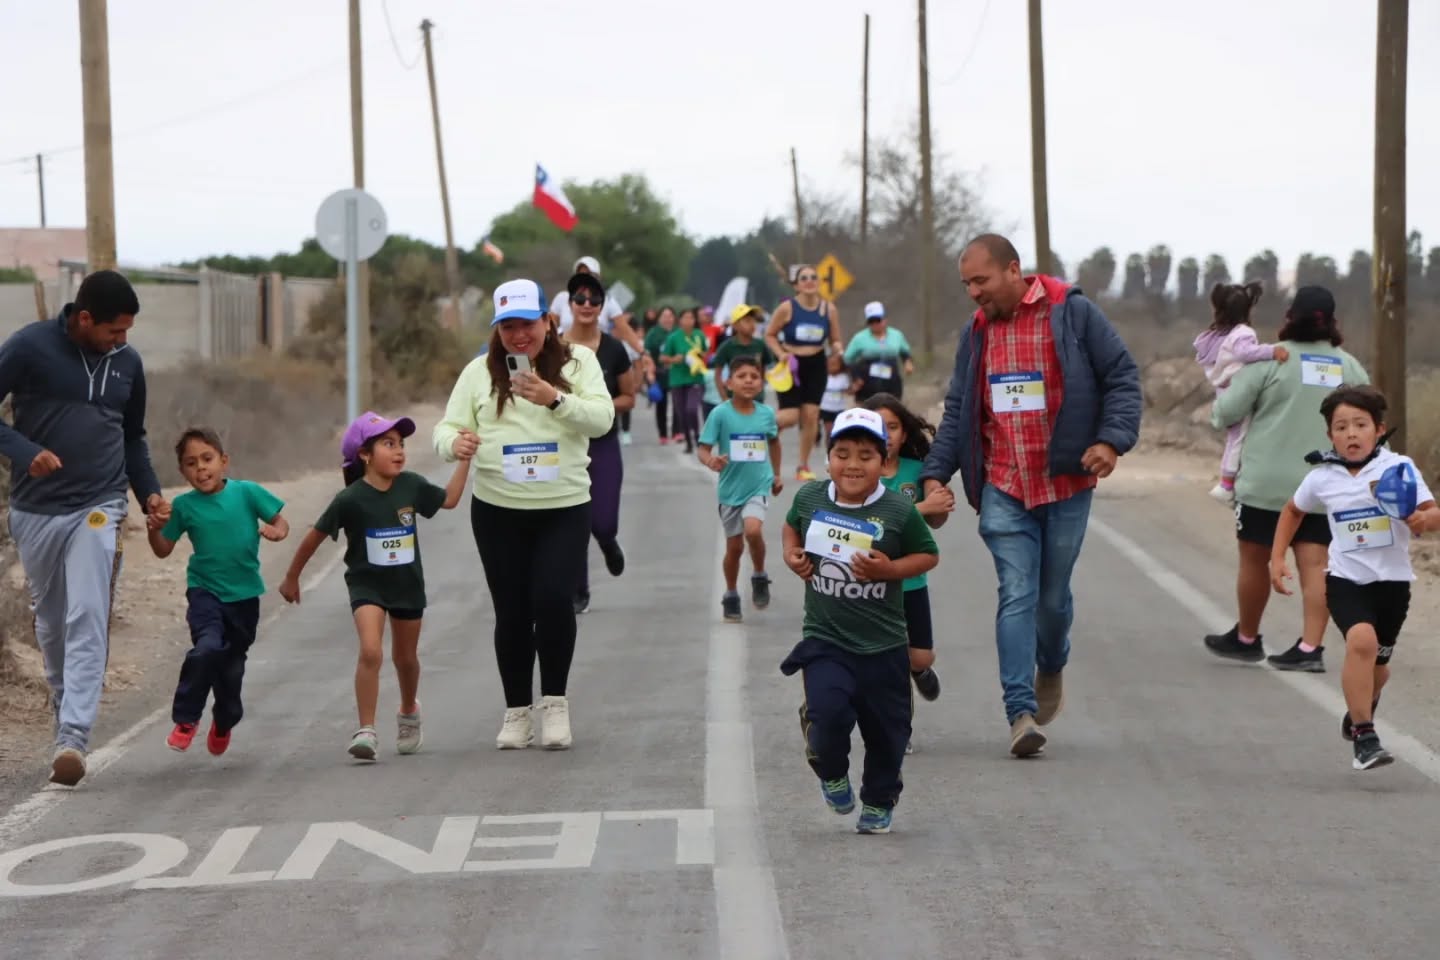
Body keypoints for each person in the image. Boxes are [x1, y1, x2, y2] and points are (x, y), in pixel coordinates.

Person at [921, 234, 1141, 758]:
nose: (973, 292)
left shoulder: (1072, 313)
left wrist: (1111, 441)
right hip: (1003, 483)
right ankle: (1019, 713)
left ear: (1013, 270)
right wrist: (935, 474)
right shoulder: (976, 334)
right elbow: (958, 411)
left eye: (982, 280)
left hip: (1065, 481)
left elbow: (1122, 377)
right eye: (966, 283)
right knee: (1016, 592)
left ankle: (1053, 661)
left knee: (1052, 599)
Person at [0, 269, 169, 786]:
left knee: (88, 610)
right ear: (84, 318)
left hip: (99, 503)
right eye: (115, 331)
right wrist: (25, 453)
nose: (123, 341)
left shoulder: (128, 364)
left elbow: (132, 437)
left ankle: (73, 736)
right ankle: (63, 704)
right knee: (51, 623)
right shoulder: (29, 347)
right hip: (36, 510)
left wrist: (150, 494)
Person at [433, 279, 615, 750]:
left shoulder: (579, 362)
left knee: (553, 599)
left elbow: (602, 419)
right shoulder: (478, 372)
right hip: (498, 510)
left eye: (527, 325)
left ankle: (554, 703)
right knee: (511, 612)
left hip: (563, 505)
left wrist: (553, 398)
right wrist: (455, 442)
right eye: (508, 327)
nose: (519, 336)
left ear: (547, 322)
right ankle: (517, 711)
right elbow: (447, 427)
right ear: (497, 329)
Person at [780, 408, 939, 834]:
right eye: (843, 453)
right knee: (828, 716)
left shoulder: (898, 510)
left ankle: (879, 800)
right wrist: (791, 555)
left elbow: (928, 554)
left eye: (866, 455)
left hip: (884, 644)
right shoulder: (809, 498)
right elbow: (791, 528)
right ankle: (831, 772)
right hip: (826, 638)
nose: (853, 464)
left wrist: (889, 570)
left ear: (883, 460)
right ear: (828, 456)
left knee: (888, 733)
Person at [280, 412, 471, 760]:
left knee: (405, 659)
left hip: (407, 586)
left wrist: (464, 460)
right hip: (367, 585)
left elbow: (450, 499)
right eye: (388, 444)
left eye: (400, 444)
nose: (398, 451)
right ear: (365, 455)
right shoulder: (350, 499)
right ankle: (365, 729)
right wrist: (292, 577)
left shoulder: (411, 485)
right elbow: (314, 537)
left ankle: (409, 710)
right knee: (371, 651)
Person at [1269, 385, 1438, 770]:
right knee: (1361, 641)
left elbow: (1433, 512)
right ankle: (1365, 736)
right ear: (1330, 435)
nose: (1350, 433)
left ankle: (1362, 705)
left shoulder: (1399, 469)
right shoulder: (1322, 478)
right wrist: (1277, 558)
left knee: (1379, 667)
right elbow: (1293, 511)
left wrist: (1424, 519)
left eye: (1359, 425)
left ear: (1378, 430)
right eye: (1341, 427)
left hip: (1393, 584)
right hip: (1345, 579)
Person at [1204, 285, 1369, 672]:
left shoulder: (1267, 362)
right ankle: (1310, 648)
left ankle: (1246, 638)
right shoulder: (1351, 368)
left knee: (1255, 560)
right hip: (1327, 487)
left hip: (1266, 487)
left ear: (1289, 318)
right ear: (1333, 322)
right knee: (1317, 565)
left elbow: (1225, 414)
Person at [146, 428, 289, 755]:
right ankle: (186, 718)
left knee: (231, 670)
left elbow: (280, 520)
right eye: (191, 463)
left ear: (224, 461)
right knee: (206, 648)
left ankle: (224, 720)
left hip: (244, 598)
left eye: (207, 459)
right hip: (205, 593)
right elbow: (163, 549)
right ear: (183, 471)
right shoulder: (183, 506)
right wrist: (154, 531)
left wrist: (277, 531)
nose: (201, 469)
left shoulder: (247, 492)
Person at [864, 393, 955, 737]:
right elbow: (870, 520)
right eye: (877, 426)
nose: (885, 434)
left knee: (919, 658)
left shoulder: (917, 472)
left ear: (904, 433)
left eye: (892, 426)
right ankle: (897, 728)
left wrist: (939, 504)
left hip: (913, 582)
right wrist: (922, 507)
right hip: (870, 584)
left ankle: (921, 673)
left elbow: (937, 522)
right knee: (889, 662)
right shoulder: (858, 472)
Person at [562, 269, 637, 614]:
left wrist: (599, 408)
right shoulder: (555, 347)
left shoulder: (615, 348)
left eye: (594, 299)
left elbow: (629, 397)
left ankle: (607, 542)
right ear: (570, 303)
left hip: (603, 441)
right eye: (580, 298)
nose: (587, 304)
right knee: (573, 520)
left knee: (602, 520)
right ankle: (579, 590)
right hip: (565, 445)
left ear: (603, 306)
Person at [697, 356, 783, 622]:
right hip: (730, 490)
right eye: (742, 376)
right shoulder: (720, 414)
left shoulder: (766, 414)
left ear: (761, 383)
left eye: (754, 376)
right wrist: (710, 460)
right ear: (728, 382)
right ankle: (731, 593)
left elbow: (774, 443)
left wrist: (777, 474)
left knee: (753, 530)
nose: (748, 380)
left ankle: (759, 575)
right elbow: (703, 449)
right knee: (734, 548)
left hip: (758, 484)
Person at [1193, 282, 1289, 503]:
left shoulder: (1215, 336)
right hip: (1239, 392)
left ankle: (1229, 481)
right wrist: (1272, 351)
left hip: (1223, 393)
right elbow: (1246, 353)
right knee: (1240, 438)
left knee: (1233, 438)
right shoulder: (1242, 333)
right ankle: (1227, 484)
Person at [765, 265, 844, 481]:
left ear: (818, 283)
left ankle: (802, 465)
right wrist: (781, 353)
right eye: (804, 278)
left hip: (817, 364)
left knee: (811, 416)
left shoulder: (829, 309)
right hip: (792, 364)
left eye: (813, 277)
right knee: (790, 416)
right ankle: (758, 431)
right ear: (797, 284)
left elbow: (835, 339)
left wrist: (837, 348)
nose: (809, 281)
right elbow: (770, 335)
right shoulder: (787, 308)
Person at [846, 301, 915, 402]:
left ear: (885, 319)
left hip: (892, 381)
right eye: (871, 321)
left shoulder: (896, 335)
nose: (875, 324)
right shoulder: (859, 338)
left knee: (891, 411)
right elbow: (848, 359)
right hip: (867, 382)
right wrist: (856, 377)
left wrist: (908, 363)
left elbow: (905, 352)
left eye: (878, 320)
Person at [662, 307, 708, 453]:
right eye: (686, 318)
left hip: (695, 378)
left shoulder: (699, 335)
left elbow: (706, 352)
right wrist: (674, 359)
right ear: (680, 320)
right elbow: (663, 358)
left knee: (691, 409)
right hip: (677, 380)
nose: (689, 321)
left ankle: (697, 434)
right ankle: (688, 440)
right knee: (681, 412)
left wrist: (699, 356)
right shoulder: (673, 337)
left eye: (691, 318)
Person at [711, 305, 776, 403]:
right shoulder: (727, 346)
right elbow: (717, 374)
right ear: (735, 325)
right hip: (734, 397)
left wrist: (760, 386)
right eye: (747, 321)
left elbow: (764, 368)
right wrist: (724, 398)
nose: (752, 324)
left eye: (753, 321)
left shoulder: (760, 345)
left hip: (756, 399)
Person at [644, 306, 677, 444]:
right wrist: (649, 373)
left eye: (670, 316)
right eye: (664, 316)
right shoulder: (653, 333)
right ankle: (663, 434)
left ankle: (677, 432)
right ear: (659, 318)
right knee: (661, 404)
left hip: (676, 373)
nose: (667, 319)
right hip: (659, 372)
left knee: (678, 403)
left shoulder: (678, 332)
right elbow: (646, 354)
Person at [819, 352, 854, 440]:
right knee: (829, 431)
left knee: (838, 430)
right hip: (826, 408)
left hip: (839, 408)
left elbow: (848, 391)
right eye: (829, 364)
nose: (832, 367)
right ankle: (828, 450)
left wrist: (854, 388)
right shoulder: (823, 376)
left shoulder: (844, 377)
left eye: (834, 364)